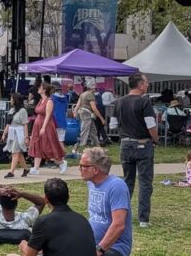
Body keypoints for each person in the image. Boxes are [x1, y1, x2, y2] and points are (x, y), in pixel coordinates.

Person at [109, 72, 158, 228]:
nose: (148, 85)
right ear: (140, 84)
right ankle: (143, 219)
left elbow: (113, 125)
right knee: (145, 183)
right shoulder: (144, 102)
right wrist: (155, 139)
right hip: (143, 145)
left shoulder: (119, 102)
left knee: (127, 181)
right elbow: (151, 125)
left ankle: (122, 216)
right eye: (146, 82)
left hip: (125, 145)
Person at [18, 178, 96, 256]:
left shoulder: (43, 222)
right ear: (68, 197)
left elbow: (30, 255)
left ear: (46, 199)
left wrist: (24, 247)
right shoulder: (82, 219)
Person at [79, 147, 132, 256]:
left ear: (95, 169)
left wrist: (99, 250)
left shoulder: (116, 186)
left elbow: (119, 225)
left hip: (114, 247)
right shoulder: (91, 183)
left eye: (83, 166)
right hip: (91, 243)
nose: (79, 169)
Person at [28, 83, 68, 175]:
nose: (38, 89)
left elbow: (48, 115)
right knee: (37, 144)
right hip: (37, 124)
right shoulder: (41, 100)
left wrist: (43, 127)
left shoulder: (49, 101)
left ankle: (61, 163)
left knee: (48, 146)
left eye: (40, 87)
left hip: (46, 125)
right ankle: (36, 168)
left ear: (44, 90)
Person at [3, 93, 30, 178]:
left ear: (15, 100)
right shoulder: (11, 110)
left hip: (19, 133)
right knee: (18, 153)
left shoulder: (23, 111)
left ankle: (11, 171)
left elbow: (25, 124)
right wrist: (4, 134)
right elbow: (8, 123)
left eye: (11, 99)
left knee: (15, 152)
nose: (10, 100)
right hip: (12, 132)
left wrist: (26, 137)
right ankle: (26, 169)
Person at [74, 80, 105, 150]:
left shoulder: (83, 94)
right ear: (92, 88)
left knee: (92, 130)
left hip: (83, 112)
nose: (95, 89)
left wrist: (75, 112)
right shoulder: (90, 95)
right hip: (87, 113)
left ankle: (97, 145)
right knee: (85, 130)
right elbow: (94, 108)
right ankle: (82, 145)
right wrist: (101, 118)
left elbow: (78, 105)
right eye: (95, 87)